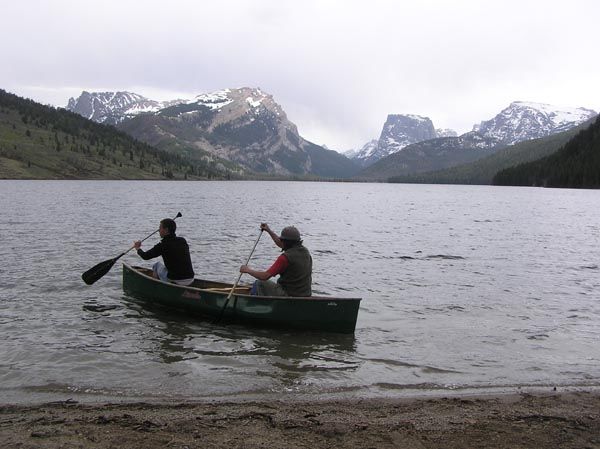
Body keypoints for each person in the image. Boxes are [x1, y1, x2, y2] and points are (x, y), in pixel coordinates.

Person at [240, 223, 312, 297]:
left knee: (259, 283)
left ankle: (253, 303)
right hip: (305, 294)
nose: (281, 242)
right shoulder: (305, 251)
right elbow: (281, 244)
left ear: (285, 242)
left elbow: (265, 276)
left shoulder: (285, 258)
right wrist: (268, 230)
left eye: (282, 240)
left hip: (288, 294)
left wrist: (247, 270)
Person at [133, 218, 195, 286]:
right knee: (167, 267)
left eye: (160, 228)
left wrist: (138, 248)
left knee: (156, 265)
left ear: (166, 230)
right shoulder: (182, 240)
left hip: (176, 280)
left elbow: (145, 256)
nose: (159, 231)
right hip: (190, 279)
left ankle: (156, 287)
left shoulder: (163, 245)